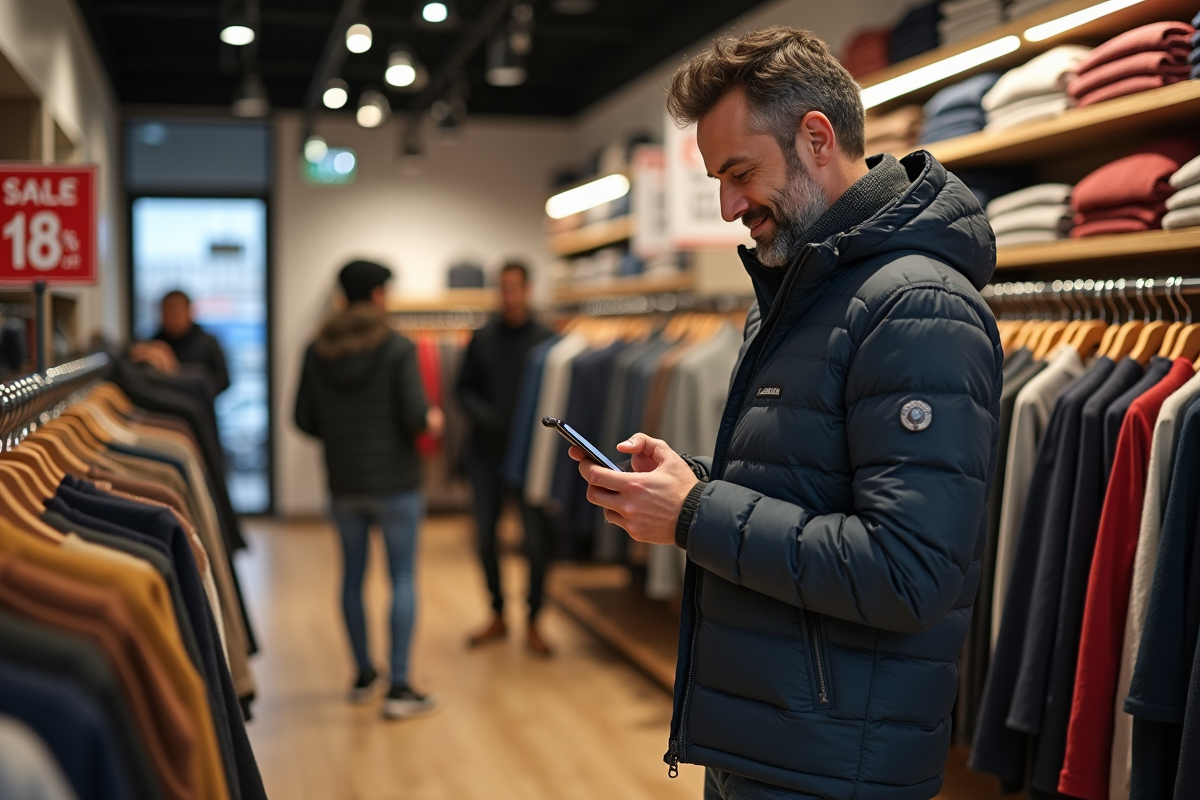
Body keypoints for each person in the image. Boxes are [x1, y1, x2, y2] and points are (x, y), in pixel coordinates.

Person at [570, 28, 1003, 800]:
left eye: (741, 173)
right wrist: (685, 483)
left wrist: (695, 511)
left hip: (837, 767)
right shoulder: (800, 295)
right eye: (717, 180)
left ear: (815, 137)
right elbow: (806, 491)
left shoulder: (916, 307)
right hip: (771, 744)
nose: (730, 206)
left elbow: (909, 573)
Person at [294, 259, 445, 720]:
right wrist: (432, 420)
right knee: (400, 577)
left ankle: (362, 676)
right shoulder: (397, 347)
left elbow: (302, 419)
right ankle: (399, 687)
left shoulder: (317, 350)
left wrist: (342, 435)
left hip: (344, 483)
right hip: (397, 483)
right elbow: (415, 415)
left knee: (351, 578)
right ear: (379, 295)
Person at [456, 261, 556, 656]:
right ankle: (497, 612)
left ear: (528, 290)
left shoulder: (546, 340)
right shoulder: (481, 340)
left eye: (516, 287)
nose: (509, 295)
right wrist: (486, 417)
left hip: (531, 457)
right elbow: (461, 390)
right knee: (485, 539)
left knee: (536, 543)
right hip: (485, 455)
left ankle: (534, 620)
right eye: (504, 288)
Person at [131, 290, 231, 396]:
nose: (172, 318)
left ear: (189, 312)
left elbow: (223, 380)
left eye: (176, 313)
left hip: (198, 404)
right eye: (167, 313)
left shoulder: (208, 342)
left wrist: (176, 372)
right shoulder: (154, 343)